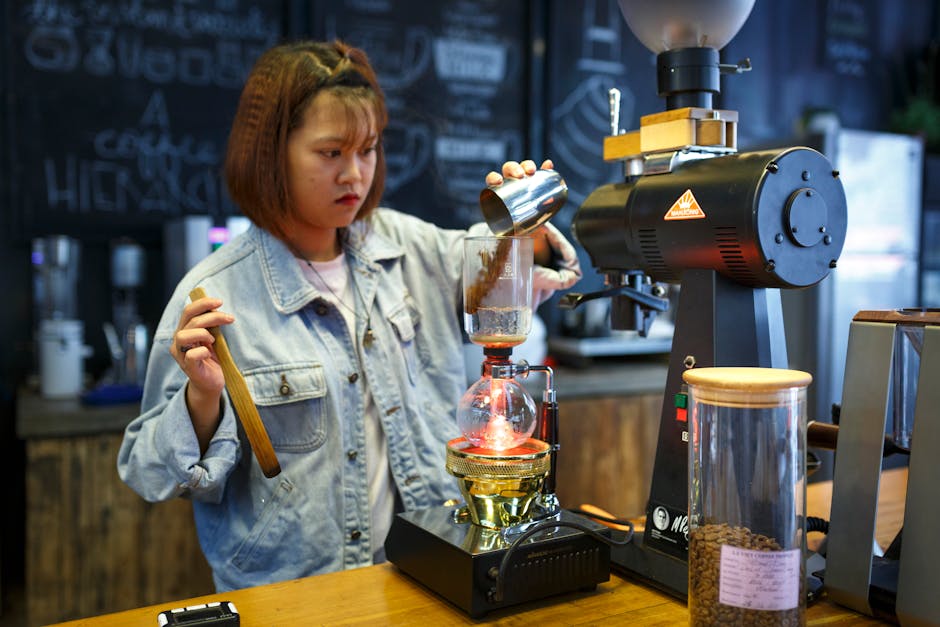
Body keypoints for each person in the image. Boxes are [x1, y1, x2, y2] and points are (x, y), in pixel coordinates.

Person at [117, 39, 581, 593]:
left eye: (368, 149)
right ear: (271, 153)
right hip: (294, 597)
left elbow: (494, 263)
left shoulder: (408, 248)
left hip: (427, 580)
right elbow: (147, 471)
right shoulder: (214, 296)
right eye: (331, 153)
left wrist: (526, 232)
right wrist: (201, 399)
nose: (355, 175)